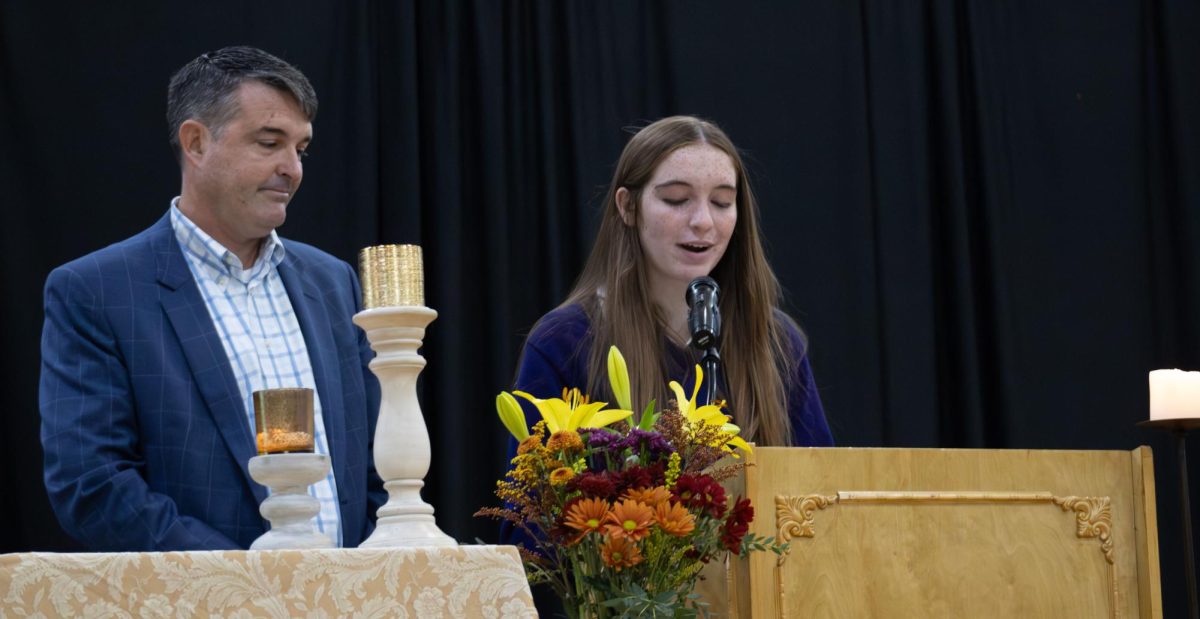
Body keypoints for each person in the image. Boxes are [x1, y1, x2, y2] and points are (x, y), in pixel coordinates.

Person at [39, 46, 384, 551]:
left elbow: (375, 469)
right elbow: (91, 484)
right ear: (196, 142)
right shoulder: (96, 290)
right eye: (269, 142)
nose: (292, 168)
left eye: (301, 148)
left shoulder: (332, 283)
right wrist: (238, 584)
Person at [512, 116, 834, 448]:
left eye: (722, 202)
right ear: (628, 206)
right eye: (677, 199)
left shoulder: (777, 341)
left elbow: (823, 488)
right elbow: (529, 495)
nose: (703, 222)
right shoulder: (562, 343)